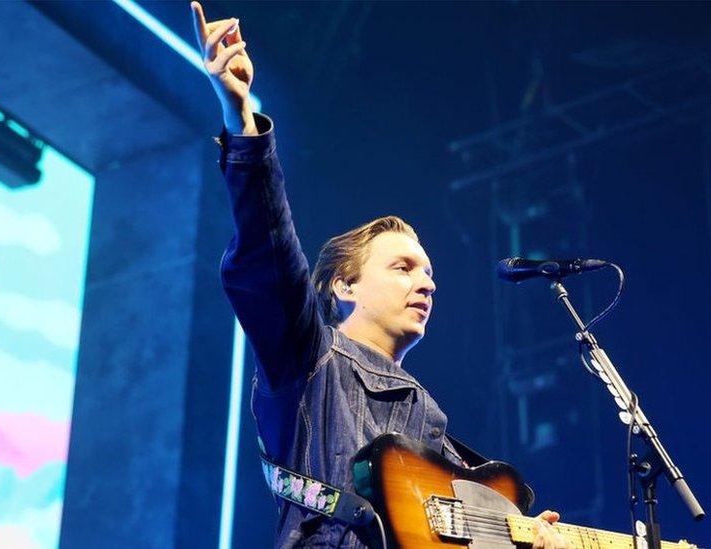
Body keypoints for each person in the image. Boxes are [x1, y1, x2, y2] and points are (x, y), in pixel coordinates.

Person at [190, 3, 571, 547]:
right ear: (343, 287)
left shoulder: (430, 421)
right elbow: (267, 253)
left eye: (430, 272)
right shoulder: (308, 360)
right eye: (403, 267)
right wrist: (241, 121)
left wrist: (529, 539)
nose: (428, 283)